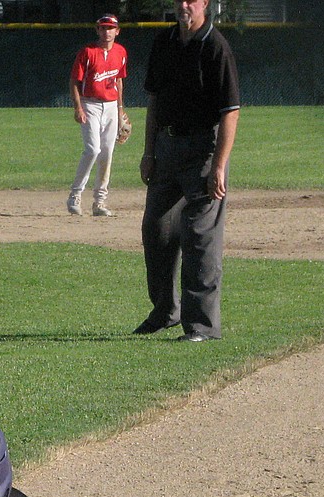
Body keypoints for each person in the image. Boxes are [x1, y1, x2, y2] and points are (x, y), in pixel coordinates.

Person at [134, 0, 240, 341]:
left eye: (191, 0)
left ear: (204, 4)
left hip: (202, 151)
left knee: (200, 235)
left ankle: (202, 327)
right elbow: (154, 101)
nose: (183, 5)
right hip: (166, 148)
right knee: (156, 227)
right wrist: (148, 151)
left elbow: (230, 112)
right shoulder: (163, 42)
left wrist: (219, 166)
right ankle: (166, 311)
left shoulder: (215, 46)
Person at [67, 13, 128, 218]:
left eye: (110, 28)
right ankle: (75, 194)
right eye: (103, 28)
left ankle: (99, 202)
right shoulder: (87, 52)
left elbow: (119, 81)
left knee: (107, 153)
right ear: (97, 30)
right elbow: (75, 81)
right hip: (90, 104)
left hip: (111, 106)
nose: (107, 31)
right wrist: (78, 107)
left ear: (117, 31)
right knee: (93, 149)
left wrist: (120, 110)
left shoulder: (120, 52)